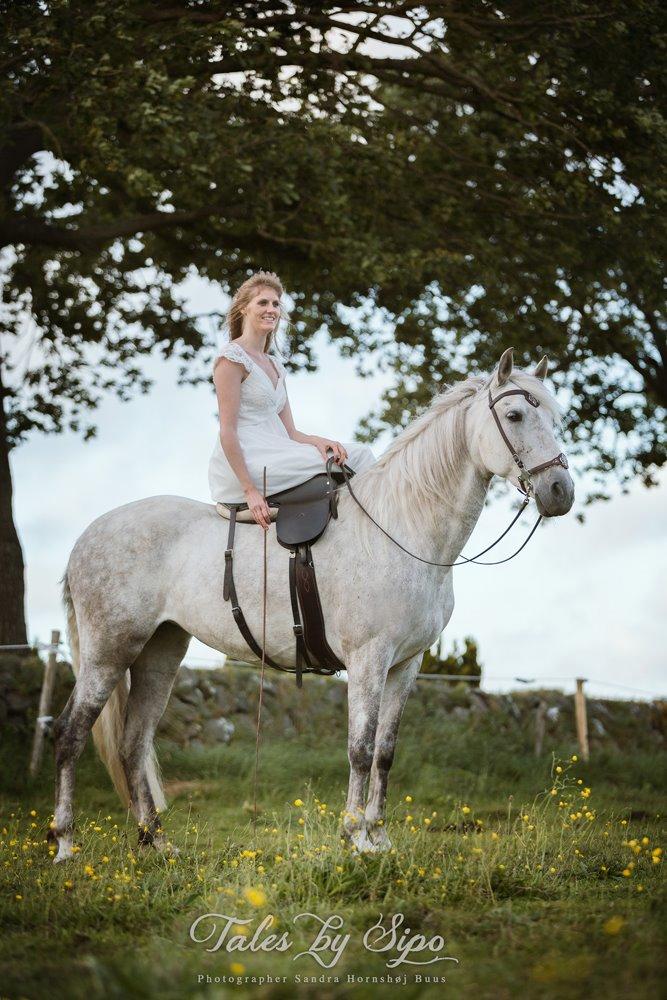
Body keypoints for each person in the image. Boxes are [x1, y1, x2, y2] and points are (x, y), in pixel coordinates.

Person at [208, 271, 376, 529]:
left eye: (276, 304)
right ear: (243, 308)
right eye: (262, 302)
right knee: (350, 460)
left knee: (359, 454)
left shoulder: (275, 364)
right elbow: (227, 431)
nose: (271, 309)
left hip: (279, 449)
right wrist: (249, 490)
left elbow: (290, 432)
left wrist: (320, 441)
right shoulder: (232, 359)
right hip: (249, 460)